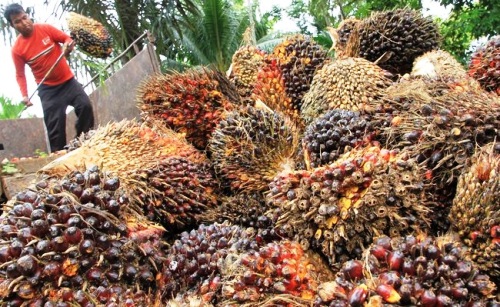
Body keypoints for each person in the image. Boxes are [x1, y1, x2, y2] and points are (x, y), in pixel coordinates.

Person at [4, 3, 95, 152]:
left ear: (28, 16)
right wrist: (25, 95)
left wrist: (68, 46)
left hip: (69, 82)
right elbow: (20, 74)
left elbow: (67, 39)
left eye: (24, 17)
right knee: (55, 130)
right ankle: (59, 158)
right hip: (48, 91)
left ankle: (82, 143)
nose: (24, 23)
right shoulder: (17, 50)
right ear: (13, 25)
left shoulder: (45, 29)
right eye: (17, 21)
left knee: (85, 106)